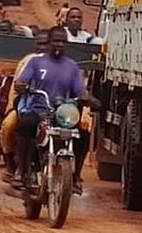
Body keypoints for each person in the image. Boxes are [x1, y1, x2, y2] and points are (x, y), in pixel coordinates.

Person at [12, 27, 99, 193]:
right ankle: (21, 171)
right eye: (56, 41)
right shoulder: (36, 62)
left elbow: (80, 90)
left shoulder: (72, 67)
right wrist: (21, 86)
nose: (59, 44)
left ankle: (75, 177)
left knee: (84, 135)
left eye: (62, 41)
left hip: (63, 114)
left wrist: (87, 98)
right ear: (50, 42)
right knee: (25, 126)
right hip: (40, 110)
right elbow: (22, 81)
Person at [0, 31, 50, 182]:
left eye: (45, 44)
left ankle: (74, 175)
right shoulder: (28, 62)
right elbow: (17, 85)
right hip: (26, 105)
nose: (43, 47)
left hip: (53, 109)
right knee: (8, 125)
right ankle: (11, 166)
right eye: (39, 44)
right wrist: (13, 107)